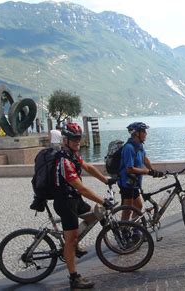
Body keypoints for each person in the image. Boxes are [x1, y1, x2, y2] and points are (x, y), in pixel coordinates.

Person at [53, 122, 115, 289]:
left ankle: (72, 242)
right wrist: (102, 201)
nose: (77, 141)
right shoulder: (64, 161)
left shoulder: (73, 155)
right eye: (73, 139)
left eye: (79, 138)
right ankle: (74, 278)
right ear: (65, 140)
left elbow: (87, 167)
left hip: (75, 199)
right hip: (65, 202)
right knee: (71, 240)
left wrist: (105, 180)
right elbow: (81, 188)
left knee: (95, 215)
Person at [118, 122, 160, 221]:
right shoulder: (129, 148)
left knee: (138, 206)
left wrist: (153, 171)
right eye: (144, 131)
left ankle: (135, 229)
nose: (146, 133)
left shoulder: (139, 145)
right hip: (126, 183)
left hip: (134, 182)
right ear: (136, 133)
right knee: (128, 209)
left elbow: (145, 159)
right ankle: (124, 231)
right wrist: (147, 171)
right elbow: (129, 169)